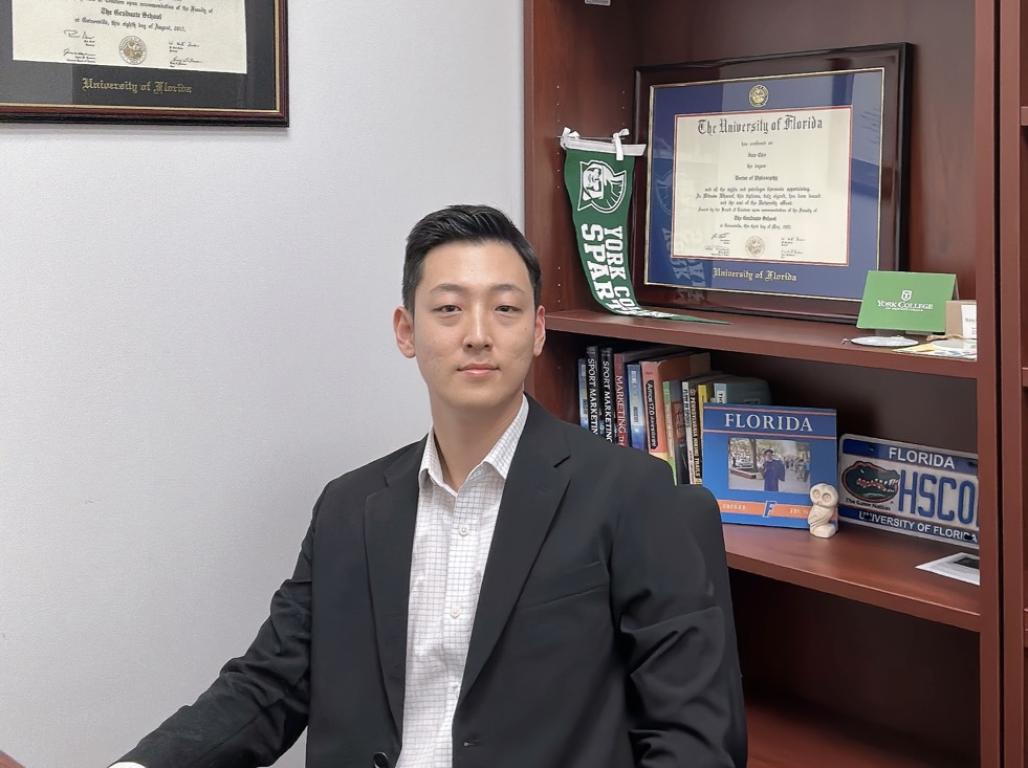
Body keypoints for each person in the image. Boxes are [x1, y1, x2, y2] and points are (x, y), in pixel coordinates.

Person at [112, 205, 736, 768]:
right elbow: (270, 684)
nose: (478, 334)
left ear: (538, 330)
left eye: (506, 308)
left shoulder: (631, 495)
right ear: (406, 331)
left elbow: (693, 737)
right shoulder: (350, 507)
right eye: (448, 308)